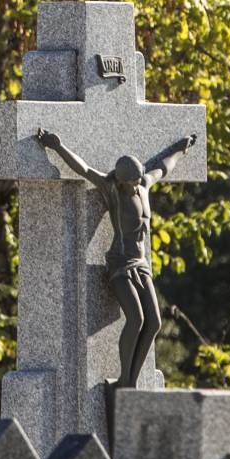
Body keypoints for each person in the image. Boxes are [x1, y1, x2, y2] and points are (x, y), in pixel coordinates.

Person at [33, 126, 198, 402]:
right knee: (136, 318)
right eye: (129, 183)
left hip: (141, 262)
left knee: (154, 322)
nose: (134, 186)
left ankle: (130, 381)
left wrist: (181, 148)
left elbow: (162, 168)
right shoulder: (111, 189)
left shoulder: (143, 184)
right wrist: (56, 146)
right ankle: (125, 381)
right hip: (119, 263)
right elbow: (84, 169)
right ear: (120, 181)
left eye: (135, 181)